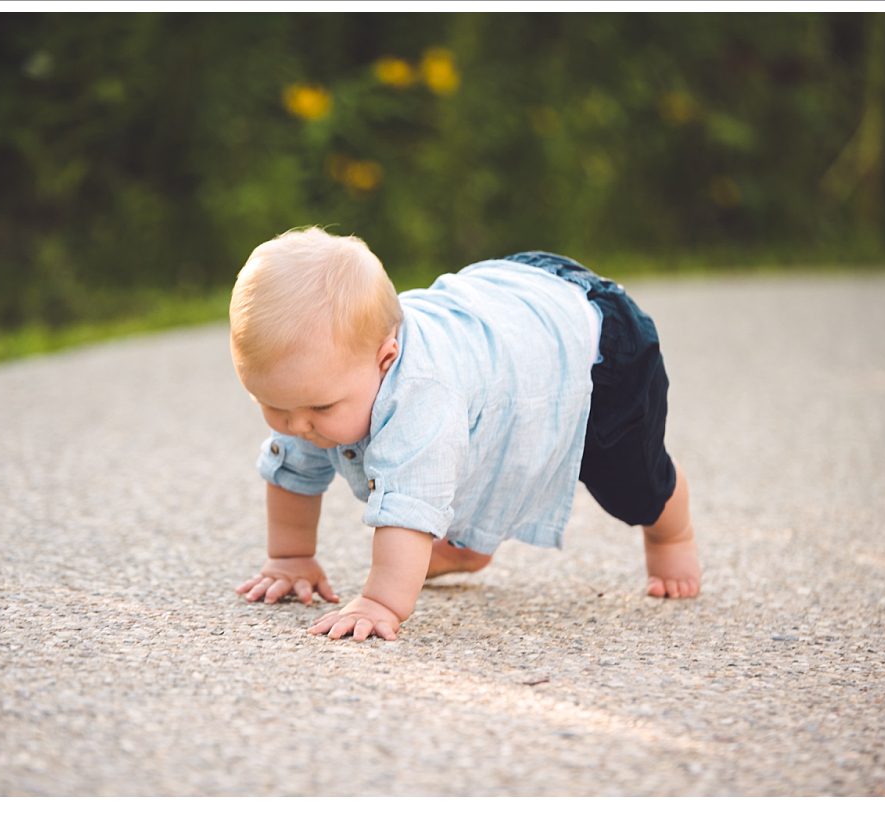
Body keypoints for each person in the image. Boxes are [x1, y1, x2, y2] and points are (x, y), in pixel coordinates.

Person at [230, 227, 701, 641]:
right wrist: (291, 559)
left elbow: (411, 506)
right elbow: (293, 470)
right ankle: (464, 547)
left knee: (630, 479)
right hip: (511, 305)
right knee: (468, 449)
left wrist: (382, 602)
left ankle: (671, 534)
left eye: (319, 408)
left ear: (386, 358)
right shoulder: (311, 387)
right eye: (271, 405)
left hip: (592, 340)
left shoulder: (421, 396)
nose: (296, 424)